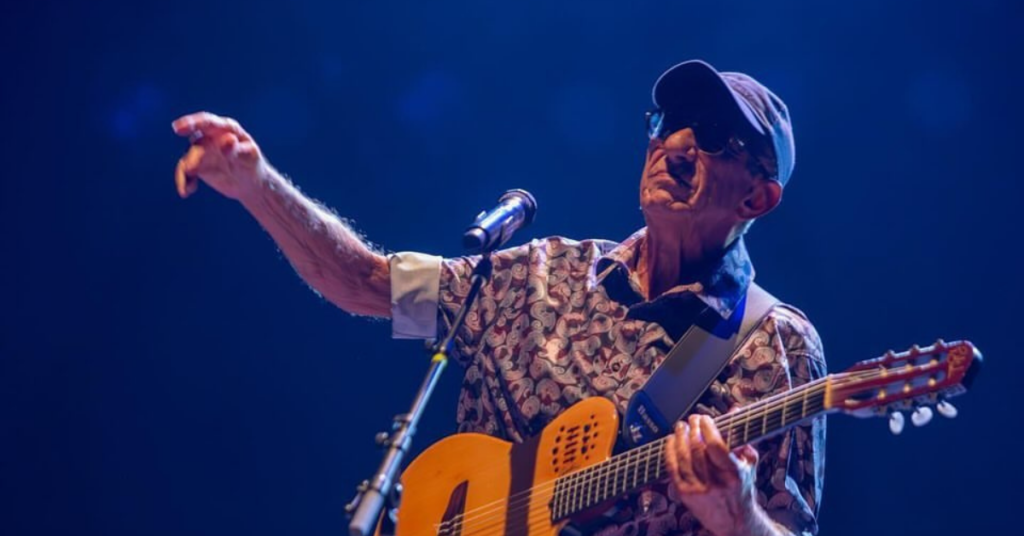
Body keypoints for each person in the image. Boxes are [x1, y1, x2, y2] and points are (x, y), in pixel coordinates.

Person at [172, 59, 826, 536]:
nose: (676, 146)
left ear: (758, 197)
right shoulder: (540, 274)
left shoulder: (772, 343)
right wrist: (257, 185)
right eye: (671, 123)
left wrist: (737, 518)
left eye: (713, 136)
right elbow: (367, 284)